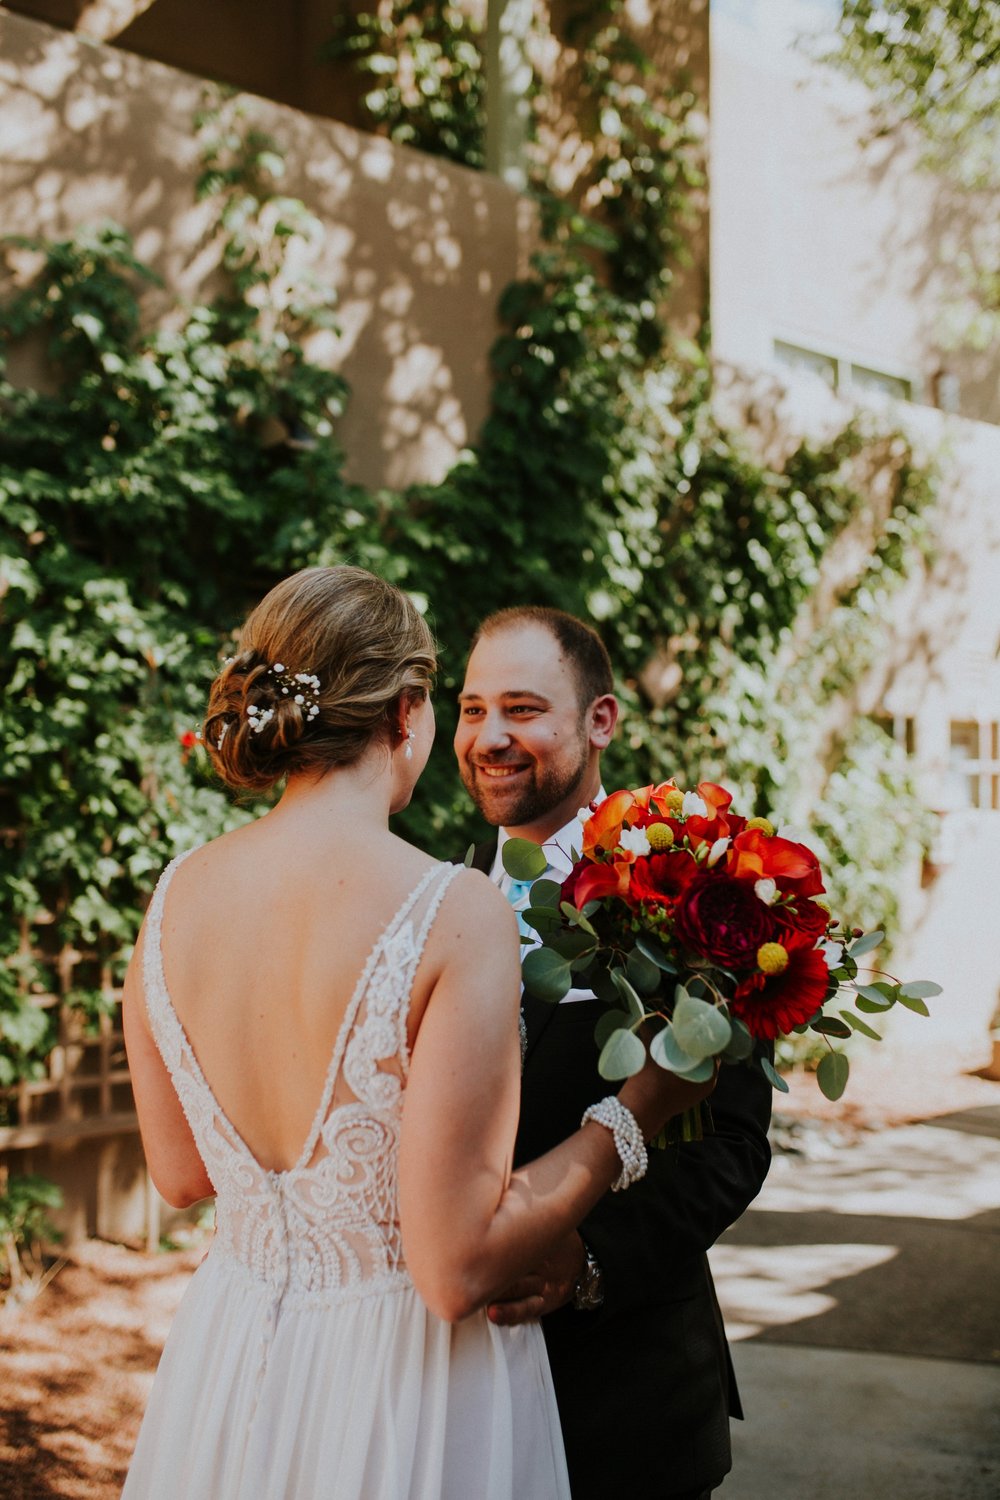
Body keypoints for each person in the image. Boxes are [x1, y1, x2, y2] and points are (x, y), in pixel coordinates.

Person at [121, 566, 713, 1500]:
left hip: (233, 1360)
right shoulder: (450, 906)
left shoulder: (173, 899)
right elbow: (453, 1274)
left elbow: (183, 1175)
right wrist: (632, 1114)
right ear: (407, 713)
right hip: (406, 1381)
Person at [455, 605, 773, 1500]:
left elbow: (734, 1144)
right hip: (447, 1390)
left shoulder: (696, 891)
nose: (490, 737)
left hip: (627, 1394)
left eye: (523, 708)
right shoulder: (431, 890)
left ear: (600, 722)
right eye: (474, 709)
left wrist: (588, 1259)